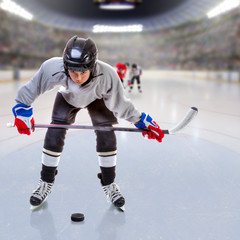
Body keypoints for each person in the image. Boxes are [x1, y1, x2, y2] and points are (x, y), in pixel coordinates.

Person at [12, 36, 164, 210]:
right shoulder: (52, 67)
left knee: (106, 134)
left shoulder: (107, 75)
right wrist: (22, 110)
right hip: (67, 97)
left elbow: (120, 105)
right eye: (73, 72)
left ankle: (109, 184)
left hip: (97, 99)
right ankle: (45, 182)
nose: (78, 77)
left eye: (83, 72)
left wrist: (140, 120)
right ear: (65, 65)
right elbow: (31, 89)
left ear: (93, 66)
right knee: (55, 132)